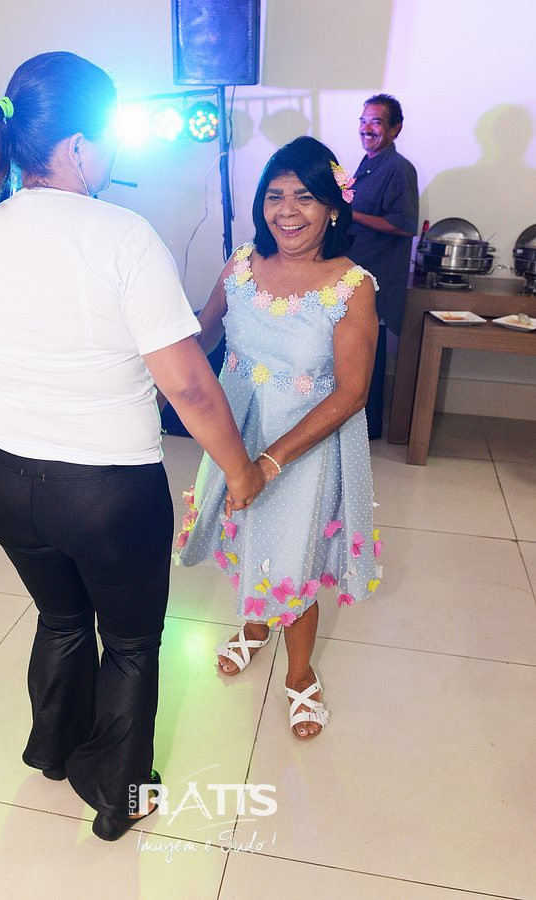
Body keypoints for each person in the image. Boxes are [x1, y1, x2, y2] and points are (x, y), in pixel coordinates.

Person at [0, 51, 264, 841]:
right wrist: (240, 470)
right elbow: (188, 386)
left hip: (2, 477)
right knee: (128, 643)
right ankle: (119, 795)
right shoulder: (121, 234)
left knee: (59, 617)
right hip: (105, 491)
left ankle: (53, 750)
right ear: (80, 145)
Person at [176, 136, 382, 740]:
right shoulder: (242, 263)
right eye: (275, 196)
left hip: (302, 446)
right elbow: (203, 333)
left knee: (294, 553)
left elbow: (352, 393)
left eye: (305, 197)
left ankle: (299, 674)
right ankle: (254, 625)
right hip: (236, 430)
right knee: (245, 533)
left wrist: (270, 461)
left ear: (333, 209)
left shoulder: (351, 286)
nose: (287, 211)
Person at [348, 94, 419, 439]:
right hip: (357, 273)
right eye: (363, 121)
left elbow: (404, 225)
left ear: (395, 128)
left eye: (376, 122)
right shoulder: (368, 164)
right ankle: (357, 420)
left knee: (368, 352)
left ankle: (369, 425)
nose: (367, 129)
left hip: (377, 277)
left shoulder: (398, 168)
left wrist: (352, 214)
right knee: (357, 350)